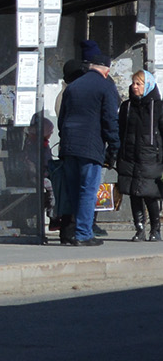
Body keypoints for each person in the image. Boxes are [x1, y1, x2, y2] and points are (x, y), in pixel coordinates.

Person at [56, 49, 120, 246]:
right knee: (88, 190)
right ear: (106, 71)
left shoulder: (72, 87)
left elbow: (61, 120)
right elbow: (110, 119)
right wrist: (114, 145)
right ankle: (83, 233)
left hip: (68, 146)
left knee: (73, 189)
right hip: (90, 147)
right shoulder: (105, 86)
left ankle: (71, 232)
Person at [116, 69, 163, 242]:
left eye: (139, 84)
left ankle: (155, 228)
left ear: (148, 86)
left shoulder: (158, 106)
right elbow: (120, 130)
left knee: (150, 193)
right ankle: (139, 228)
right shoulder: (127, 107)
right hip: (130, 155)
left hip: (150, 157)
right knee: (134, 192)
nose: (134, 87)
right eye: (133, 83)